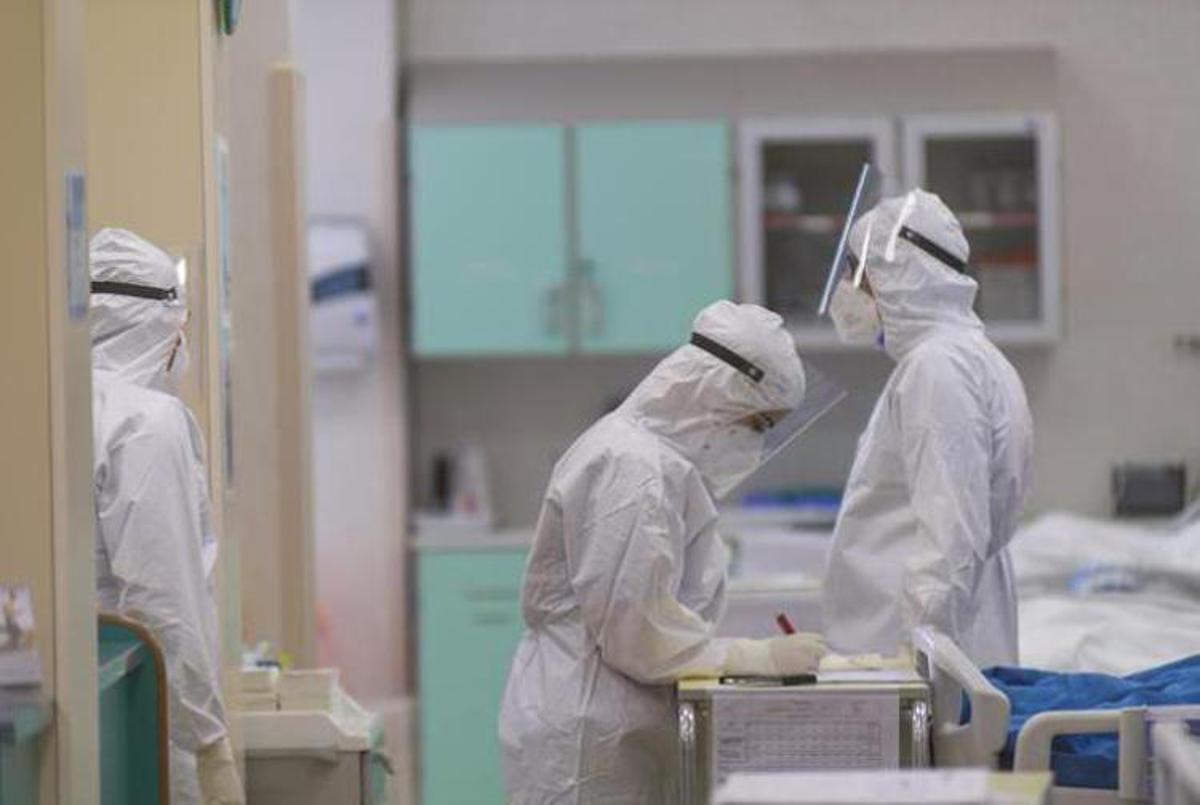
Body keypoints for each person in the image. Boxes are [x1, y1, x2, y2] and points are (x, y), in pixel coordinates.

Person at [499, 300, 827, 804]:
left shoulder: (660, 464)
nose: (756, 443)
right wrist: (754, 656)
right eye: (759, 424)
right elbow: (636, 630)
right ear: (717, 393)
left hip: (614, 721)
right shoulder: (633, 468)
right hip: (588, 732)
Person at [822, 189, 1034, 668]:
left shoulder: (938, 368)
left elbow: (948, 537)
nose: (849, 290)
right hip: (933, 647)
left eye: (858, 274)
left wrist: (919, 662)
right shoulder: (969, 357)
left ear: (898, 273)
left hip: (914, 659)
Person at [90, 228, 243, 805]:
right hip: (144, 719)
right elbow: (164, 599)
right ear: (160, 323)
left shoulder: (51, 405)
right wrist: (210, 744)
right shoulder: (145, 423)